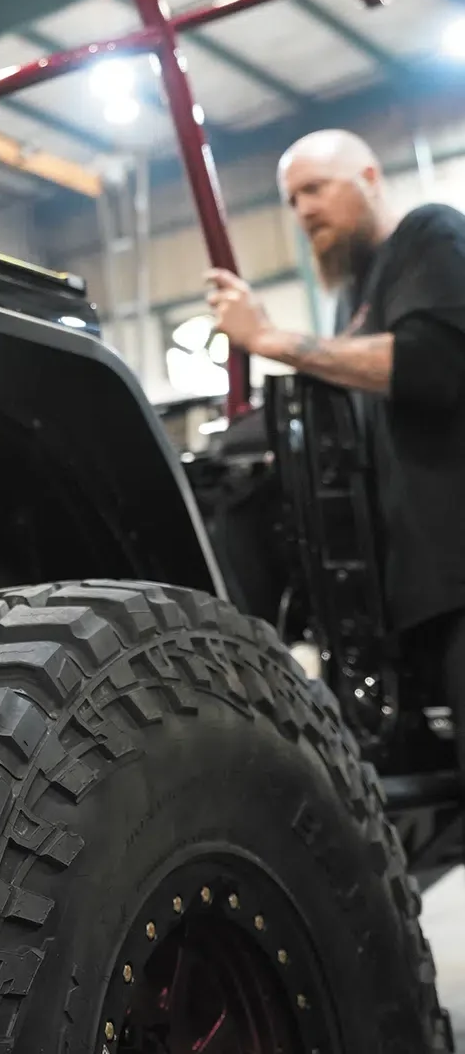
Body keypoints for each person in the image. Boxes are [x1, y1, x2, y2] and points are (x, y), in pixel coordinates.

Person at [205, 128, 465, 772]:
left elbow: (433, 366)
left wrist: (270, 339)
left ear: (369, 179)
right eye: (292, 200)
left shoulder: (429, 236)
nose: (304, 211)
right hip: (414, 604)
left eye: (316, 189)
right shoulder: (352, 296)